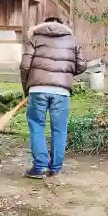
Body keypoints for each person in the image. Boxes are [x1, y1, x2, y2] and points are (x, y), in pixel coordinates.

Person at [20, 17, 87, 178]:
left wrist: (27, 90)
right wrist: (64, 75)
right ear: (62, 26)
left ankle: (40, 167)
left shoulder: (35, 38)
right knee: (59, 130)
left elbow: (24, 66)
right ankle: (55, 168)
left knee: (37, 126)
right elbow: (82, 65)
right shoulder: (71, 40)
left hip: (38, 89)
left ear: (43, 25)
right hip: (62, 92)